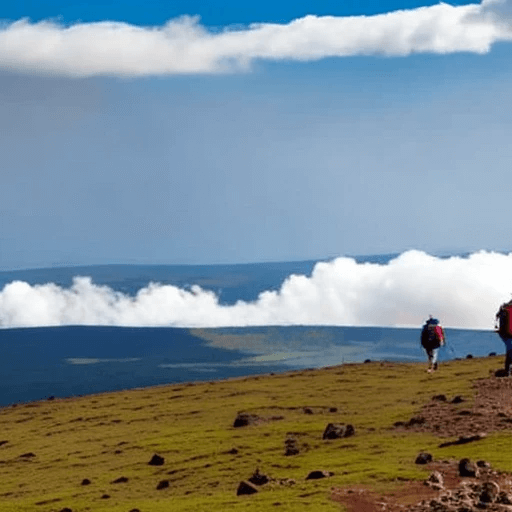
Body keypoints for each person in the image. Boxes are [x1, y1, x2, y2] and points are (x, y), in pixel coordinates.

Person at [495, 300, 512, 376]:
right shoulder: (507, 309)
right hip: (506, 334)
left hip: (506, 334)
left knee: (510, 350)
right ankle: (508, 370)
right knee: (510, 349)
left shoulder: (505, 308)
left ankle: (507, 369)